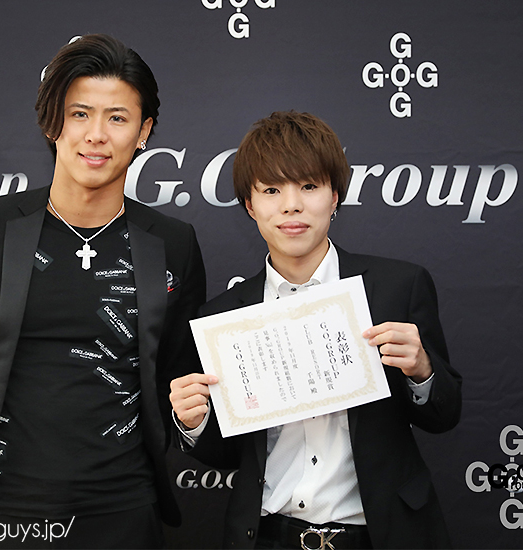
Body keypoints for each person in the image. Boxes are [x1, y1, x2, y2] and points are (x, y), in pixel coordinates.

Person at [0, 34, 205, 549]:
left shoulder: (173, 243)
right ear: (52, 122)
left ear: (144, 132)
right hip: (3, 505)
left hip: (124, 505)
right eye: (79, 114)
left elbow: (175, 368)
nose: (96, 135)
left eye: (117, 118)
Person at [170, 111, 461, 549]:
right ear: (249, 205)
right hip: (267, 537)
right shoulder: (224, 317)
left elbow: (445, 416)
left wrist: (422, 371)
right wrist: (194, 422)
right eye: (271, 190)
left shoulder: (398, 287)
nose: (291, 205)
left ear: (335, 196)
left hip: (380, 536)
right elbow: (227, 454)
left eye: (308, 186)